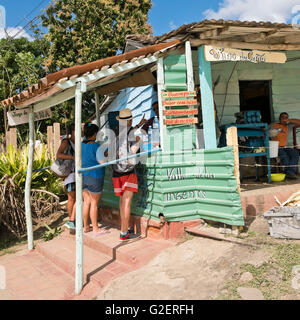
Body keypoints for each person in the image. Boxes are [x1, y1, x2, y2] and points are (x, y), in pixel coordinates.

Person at [112, 108, 140, 242]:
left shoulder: (114, 132)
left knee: (121, 202)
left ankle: (125, 228)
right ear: (130, 120)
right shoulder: (133, 134)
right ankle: (124, 232)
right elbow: (132, 155)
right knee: (127, 203)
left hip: (116, 172)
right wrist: (140, 141)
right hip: (128, 172)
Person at [81, 123, 110, 236]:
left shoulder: (81, 145)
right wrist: (106, 154)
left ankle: (86, 226)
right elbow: (102, 161)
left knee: (86, 202)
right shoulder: (95, 146)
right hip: (95, 176)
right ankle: (96, 229)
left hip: (83, 176)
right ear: (93, 134)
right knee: (94, 203)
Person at [56, 124, 76, 230]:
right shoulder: (66, 141)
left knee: (76, 197)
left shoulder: (77, 142)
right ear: (73, 131)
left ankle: (74, 219)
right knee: (71, 198)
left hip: (76, 172)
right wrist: (72, 157)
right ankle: (70, 220)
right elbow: (58, 154)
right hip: (70, 174)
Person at [271, 112, 300, 179]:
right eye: (283, 117)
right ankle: (289, 173)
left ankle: (289, 173)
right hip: (276, 147)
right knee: (284, 156)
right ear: (279, 118)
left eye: (286, 117)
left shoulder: (288, 126)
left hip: (285, 147)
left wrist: (288, 120)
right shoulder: (273, 125)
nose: (284, 119)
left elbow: (299, 122)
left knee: (295, 154)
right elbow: (265, 131)